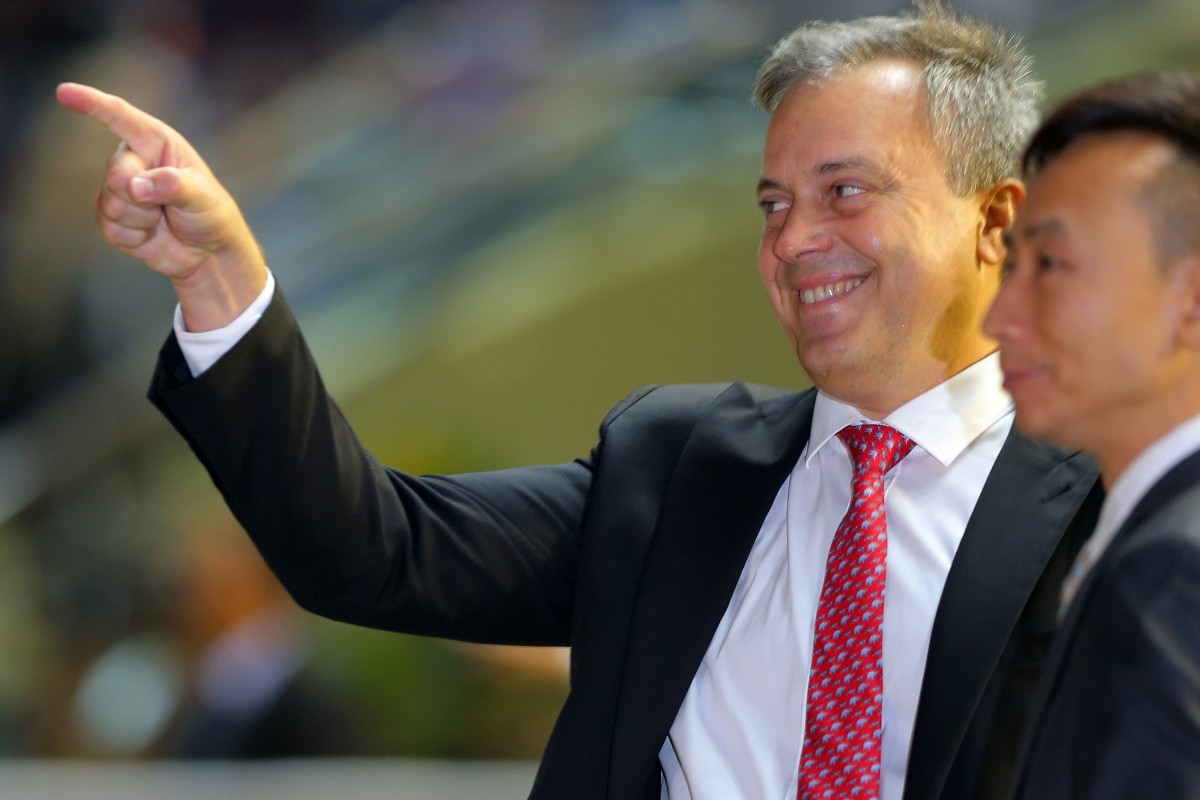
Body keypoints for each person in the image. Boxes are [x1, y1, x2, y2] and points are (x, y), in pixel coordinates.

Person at [58, 3, 1100, 799]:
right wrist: (220, 280)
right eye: (774, 203)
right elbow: (374, 547)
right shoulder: (676, 464)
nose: (791, 240)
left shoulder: (1114, 508)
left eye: (845, 192)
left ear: (995, 219)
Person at [984, 71, 1200, 799]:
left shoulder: (1172, 572)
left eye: (1049, 264)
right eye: (1012, 267)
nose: (999, 319)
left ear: (1192, 302)